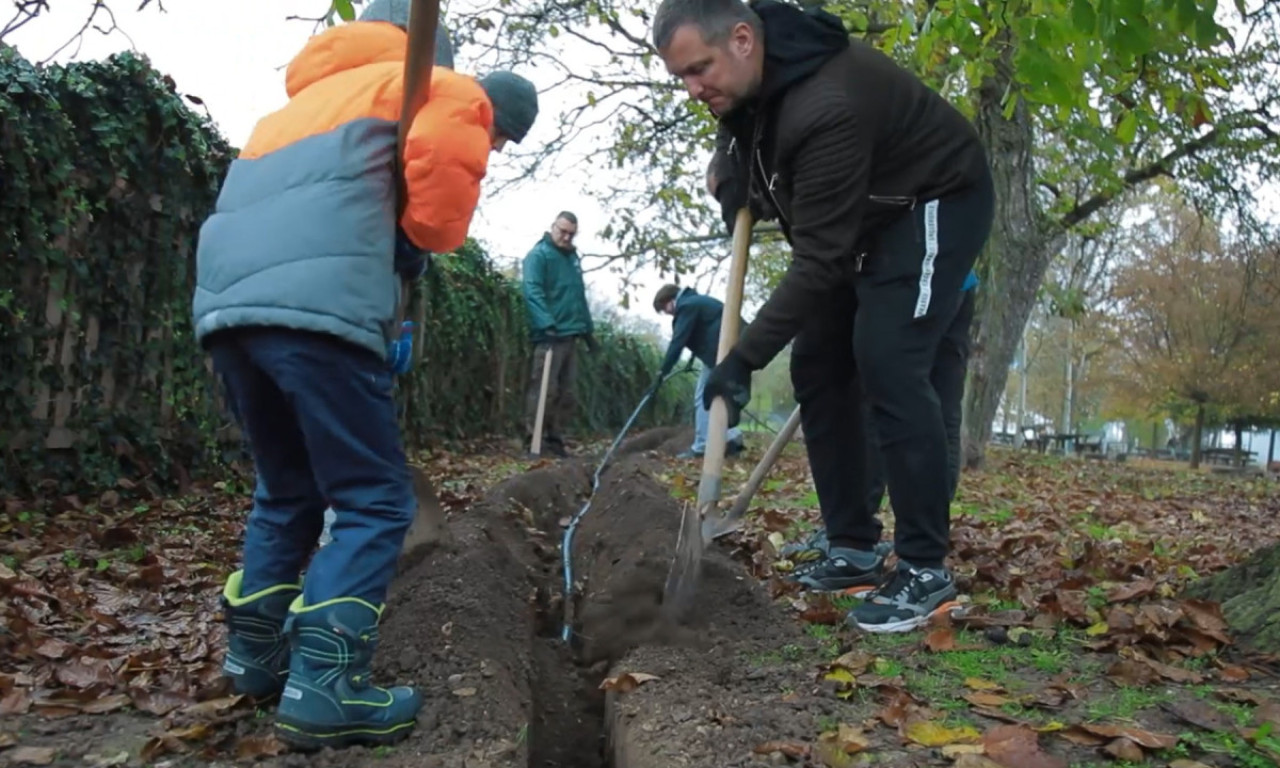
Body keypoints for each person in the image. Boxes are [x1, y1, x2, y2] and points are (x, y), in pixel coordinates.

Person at [191, 0, 539, 749]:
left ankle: (254, 658)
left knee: (286, 489)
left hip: (228, 313)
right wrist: (412, 248)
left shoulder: (299, 104)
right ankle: (325, 688)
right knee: (376, 499)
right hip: (322, 314)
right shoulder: (435, 89)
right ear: (437, 51)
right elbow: (438, 216)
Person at [652, 0, 995, 633]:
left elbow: (819, 260)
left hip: (933, 200)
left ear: (743, 40)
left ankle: (924, 568)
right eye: (682, 78)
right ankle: (853, 546)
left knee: (888, 358)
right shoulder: (750, 88)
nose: (693, 89)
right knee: (817, 364)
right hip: (871, 213)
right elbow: (744, 152)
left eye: (699, 70)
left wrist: (742, 359)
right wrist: (733, 185)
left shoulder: (827, 103)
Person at [783, 272, 977, 585]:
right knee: (905, 399)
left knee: (910, 400)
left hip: (934, 278)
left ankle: (916, 549)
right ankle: (857, 537)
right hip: (915, 277)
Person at [521, 211, 595, 457]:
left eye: (571, 234)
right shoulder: (538, 256)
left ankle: (555, 439)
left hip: (571, 334)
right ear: (553, 227)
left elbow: (577, 296)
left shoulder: (572, 259)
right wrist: (546, 323)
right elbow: (532, 290)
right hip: (549, 336)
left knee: (567, 392)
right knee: (544, 388)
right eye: (562, 231)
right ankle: (534, 440)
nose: (566, 237)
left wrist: (588, 331)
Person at [651, 283, 746, 459]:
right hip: (732, 348)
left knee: (702, 396)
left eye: (664, 309)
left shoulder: (686, 306)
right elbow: (702, 331)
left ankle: (702, 446)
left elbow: (678, 342)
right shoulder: (695, 302)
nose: (668, 313)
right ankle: (732, 437)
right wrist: (692, 360)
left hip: (722, 351)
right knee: (720, 396)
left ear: (669, 301)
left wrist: (661, 373)